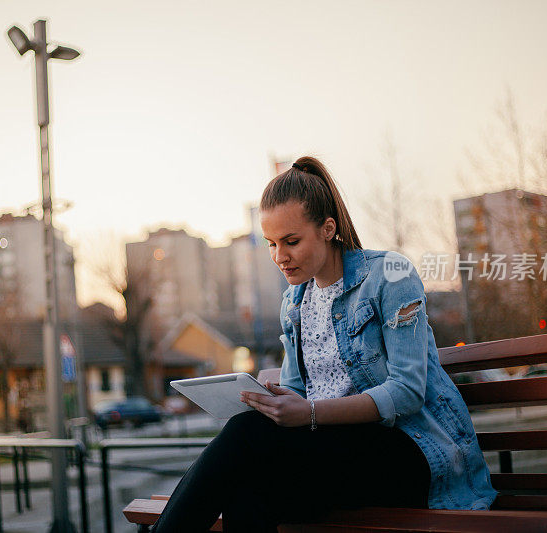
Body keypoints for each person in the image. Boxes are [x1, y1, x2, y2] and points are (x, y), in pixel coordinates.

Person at [150, 156, 497, 532]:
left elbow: (407, 392)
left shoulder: (389, 276)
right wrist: (273, 400)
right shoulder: (294, 302)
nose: (280, 257)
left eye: (291, 241)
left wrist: (310, 412)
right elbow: (297, 390)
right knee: (246, 485)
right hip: (333, 453)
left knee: (244, 436)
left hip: (408, 451)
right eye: (271, 244)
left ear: (328, 229)